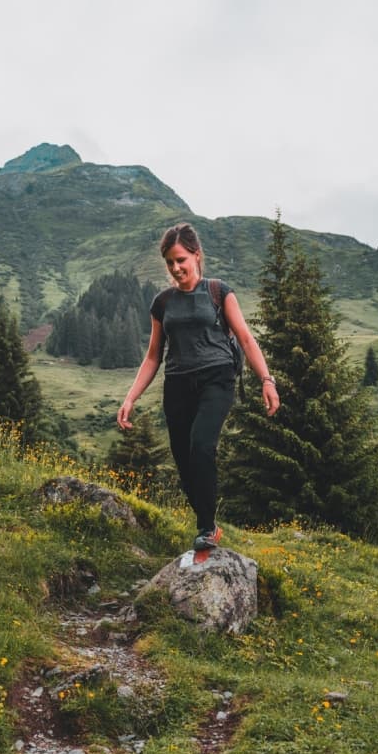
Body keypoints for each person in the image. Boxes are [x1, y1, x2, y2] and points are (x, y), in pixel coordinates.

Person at [117, 222, 280, 551]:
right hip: (177, 385)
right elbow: (153, 357)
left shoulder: (218, 291)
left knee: (201, 447)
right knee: (184, 460)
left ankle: (206, 529)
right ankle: (209, 522)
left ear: (196, 256)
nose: (176, 269)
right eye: (169, 263)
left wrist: (266, 379)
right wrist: (130, 398)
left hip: (216, 378)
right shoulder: (162, 303)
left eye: (180, 260)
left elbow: (246, 339)